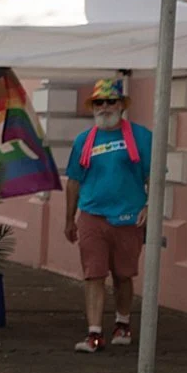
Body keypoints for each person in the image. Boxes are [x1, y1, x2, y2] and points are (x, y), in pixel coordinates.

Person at [63, 76, 153, 353]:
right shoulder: (83, 140)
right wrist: (69, 218)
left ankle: (123, 323)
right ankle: (94, 334)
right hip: (92, 215)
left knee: (123, 275)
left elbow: (156, 176)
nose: (104, 107)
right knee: (93, 275)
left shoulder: (141, 137)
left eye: (110, 101)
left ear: (121, 106)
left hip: (128, 218)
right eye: (98, 102)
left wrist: (150, 207)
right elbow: (74, 181)